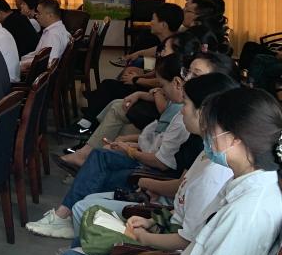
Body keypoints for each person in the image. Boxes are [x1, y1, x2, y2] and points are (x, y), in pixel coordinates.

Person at [27, 86, 282, 255]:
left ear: (234, 139)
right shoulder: (256, 190)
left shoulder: (247, 212)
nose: (207, 134)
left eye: (213, 129)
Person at [58, 71, 239, 255]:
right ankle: (79, 245)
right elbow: (183, 206)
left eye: (186, 104)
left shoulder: (213, 174)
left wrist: (144, 235)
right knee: (94, 191)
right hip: (162, 223)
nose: (181, 110)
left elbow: (185, 239)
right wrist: (151, 221)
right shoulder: (206, 153)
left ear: (204, 112)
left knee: (77, 239)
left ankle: (80, 251)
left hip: (162, 248)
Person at [29, 54, 194, 239]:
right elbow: (159, 141)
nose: (161, 90)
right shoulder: (180, 111)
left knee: (100, 163)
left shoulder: (182, 117)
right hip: (150, 158)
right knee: (101, 155)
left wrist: (130, 150)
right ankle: (67, 215)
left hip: (152, 170)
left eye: (162, 86)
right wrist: (129, 144)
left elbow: (161, 162)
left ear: (177, 82)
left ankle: (66, 215)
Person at [20, 0, 71, 75]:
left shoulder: (53, 35)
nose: (36, 16)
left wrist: (24, 64)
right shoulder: (60, 28)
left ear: (50, 15)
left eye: (39, 13)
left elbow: (50, 63)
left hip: (36, 75)